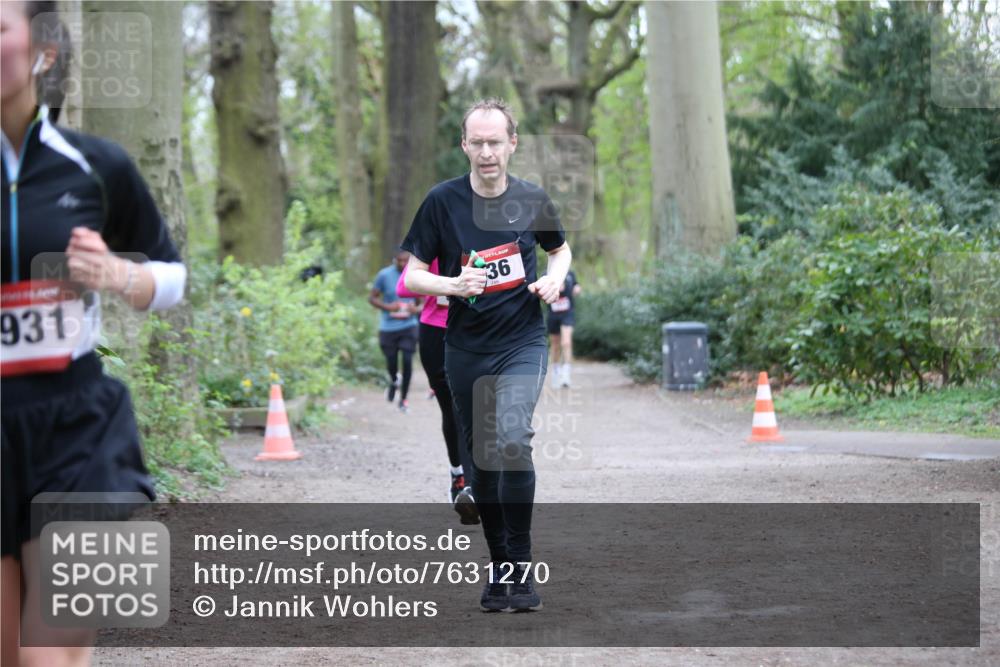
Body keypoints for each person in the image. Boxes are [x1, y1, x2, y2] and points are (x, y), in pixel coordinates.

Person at [1, 2, 187, 664]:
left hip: (80, 430)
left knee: (44, 656)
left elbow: (172, 278)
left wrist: (115, 273)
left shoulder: (96, 164)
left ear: (43, 49)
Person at [402, 98, 571, 613]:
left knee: (513, 440)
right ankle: (500, 569)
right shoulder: (442, 201)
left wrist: (554, 279)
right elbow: (411, 276)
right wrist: (452, 284)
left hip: (521, 340)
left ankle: (520, 565)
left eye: (495, 141)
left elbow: (559, 249)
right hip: (465, 348)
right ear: (464, 145)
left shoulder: (533, 199)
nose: (486, 152)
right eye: (476, 142)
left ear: (512, 144)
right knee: (483, 465)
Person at [396, 260, 479, 525]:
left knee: (471, 408)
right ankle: (459, 475)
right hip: (436, 332)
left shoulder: (484, 244)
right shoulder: (432, 247)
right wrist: (443, 284)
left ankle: (474, 486)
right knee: (451, 409)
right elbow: (402, 288)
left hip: (476, 331)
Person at [369, 251, 420, 412]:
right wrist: (388, 307)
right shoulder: (384, 275)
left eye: (406, 261)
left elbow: (422, 301)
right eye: (400, 261)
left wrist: (414, 309)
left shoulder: (415, 275)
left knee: (407, 360)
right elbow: (372, 298)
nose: (403, 264)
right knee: (391, 361)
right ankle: (393, 381)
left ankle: (403, 399)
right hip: (388, 326)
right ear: (394, 260)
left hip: (408, 325)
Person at [547, 270, 582, 388]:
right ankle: (556, 372)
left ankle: (566, 374)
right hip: (553, 314)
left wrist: (577, 288)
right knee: (555, 345)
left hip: (567, 313)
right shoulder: (546, 274)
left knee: (566, 342)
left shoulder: (570, 274)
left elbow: (576, 285)